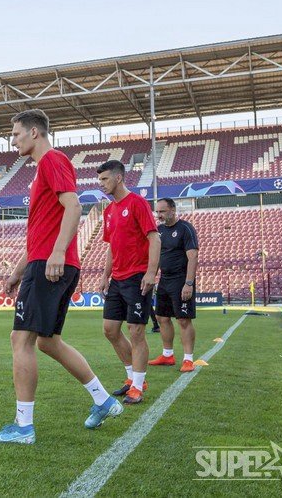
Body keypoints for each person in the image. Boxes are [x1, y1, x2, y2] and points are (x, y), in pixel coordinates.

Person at [0, 109, 122, 445]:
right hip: (46, 262)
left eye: (16, 134)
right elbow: (40, 233)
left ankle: (23, 427)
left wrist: (58, 253)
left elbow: (73, 206)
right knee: (47, 341)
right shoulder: (45, 168)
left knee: (21, 341)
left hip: (51, 264)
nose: (13, 140)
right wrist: (18, 272)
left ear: (34, 132)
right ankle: (103, 400)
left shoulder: (51, 160)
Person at [96, 159, 160, 405]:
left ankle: (138, 386)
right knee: (110, 330)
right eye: (100, 180)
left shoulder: (137, 203)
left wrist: (150, 273)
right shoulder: (109, 210)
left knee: (136, 331)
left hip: (137, 277)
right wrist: (105, 275)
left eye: (105, 179)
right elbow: (112, 246)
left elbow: (154, 239)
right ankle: (132, 378)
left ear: (119, 178)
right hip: (118, 279)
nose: (101, 184)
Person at [149, 198, 199, 373]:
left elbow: (193, 257)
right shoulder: (159, 230)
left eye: (162, 211)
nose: (159, 215)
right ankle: (167, 355)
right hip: (164, 280)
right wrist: (151, 277)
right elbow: (155, 257)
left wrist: (189, 283)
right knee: (162, 318)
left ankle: (188, 359)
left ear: (172, 210)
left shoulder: (186, 229)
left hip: (181, 280)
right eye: (157, 212)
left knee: (183, 320)